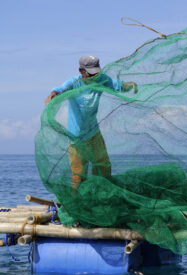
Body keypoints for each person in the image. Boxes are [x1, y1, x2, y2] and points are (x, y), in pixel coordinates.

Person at [44, 55, 137, 188]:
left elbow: (117, 86)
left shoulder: (101, 79)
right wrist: (53, 95)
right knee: (78, 175)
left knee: (103, 167)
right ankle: (76, 203)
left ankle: (99, 196)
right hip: (76, 137)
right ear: (82, 71)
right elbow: (58, 91)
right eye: (91, 73)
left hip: (94, 133)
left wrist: (129, 85)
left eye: (97, 72)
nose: (95, 75)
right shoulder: (73, 83)